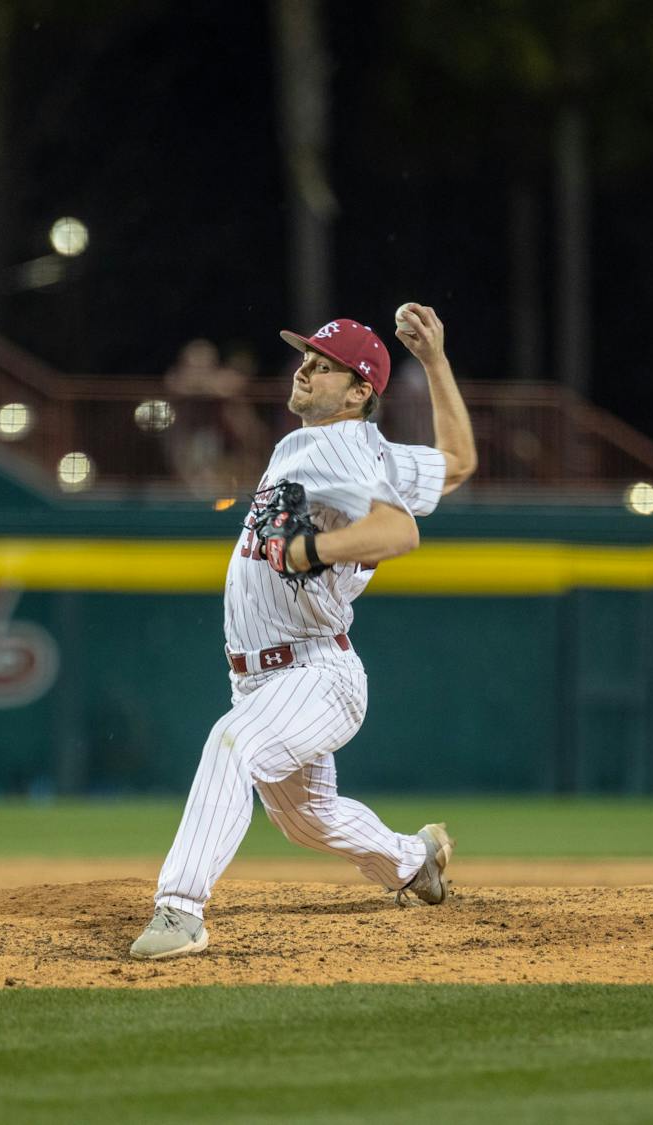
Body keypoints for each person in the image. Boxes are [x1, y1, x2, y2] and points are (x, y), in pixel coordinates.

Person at [129, 305, 477, 960]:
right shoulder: (364, 449)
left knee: (231, 746)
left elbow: (401, 532)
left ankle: (180, 910)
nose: (306, 369)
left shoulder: (334, 445)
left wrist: (315, 549)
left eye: (326, 365)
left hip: (312, 671)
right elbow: (457, 461)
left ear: (359, 392)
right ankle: (414, 858)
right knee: (306, 818)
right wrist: (434, 361)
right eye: (306, 358)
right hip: (275, 674)